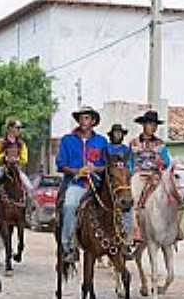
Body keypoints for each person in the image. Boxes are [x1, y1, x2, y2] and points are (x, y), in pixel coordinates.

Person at [56, 106, 108, 263]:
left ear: (93, 121)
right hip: (76, 184)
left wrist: (95, 168)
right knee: (70, 205)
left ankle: (123, 241)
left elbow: (107, 165)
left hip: (98, 184)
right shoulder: (67, 140)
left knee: (119, 202)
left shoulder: (101, 141)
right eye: (81, 118)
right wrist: (77, 171)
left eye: (87, 118)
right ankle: (68, 247)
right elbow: (60, 164)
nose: (83, 121)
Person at [129, 111, 184, 241]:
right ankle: (135, 229)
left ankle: (176, 227)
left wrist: (162, 165)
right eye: (150, 124)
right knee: (133, 197)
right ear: (143, 125)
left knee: (178, 197)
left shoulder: (160, 144)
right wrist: (133, 173)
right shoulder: (134, 143)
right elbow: (130, 162)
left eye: (155, 124)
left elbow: (167, 161)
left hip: (157, 175)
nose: (153, 127)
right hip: (140, 175)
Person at [0, 119, 34, 219]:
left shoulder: (21, 144)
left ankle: (28, 213)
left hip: (16, 169)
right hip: (3, 168)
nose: (19, 130)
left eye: (19, 128)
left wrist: (18, 159)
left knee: (30, 188)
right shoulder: (0, 142)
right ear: (10, 128)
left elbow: (25, 159)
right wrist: (4, 157)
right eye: (17, 128)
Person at [105, 124, 135, 257]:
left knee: (128, 211)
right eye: (115, 133)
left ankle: (127, 242)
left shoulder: (126, 150)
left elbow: (131, 166)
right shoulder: (106, 149)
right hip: (109, 181)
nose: (118, 135)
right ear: (111, 135)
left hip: (123, 182)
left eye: (120, 133)